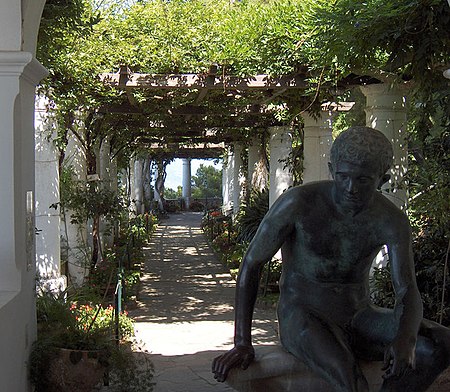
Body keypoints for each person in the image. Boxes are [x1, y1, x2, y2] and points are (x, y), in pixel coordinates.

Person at [212, 126, 450, 392]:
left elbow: (406, 290)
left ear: (382, 179)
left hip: (359, 316)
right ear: (331, 169)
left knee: (441, 345)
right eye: (343, 176)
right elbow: (251, 264)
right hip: (302, 315)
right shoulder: (299, 203)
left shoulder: (390, 220)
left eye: (363, 180)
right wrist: (242, 341)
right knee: (350, 379)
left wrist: (405, 339)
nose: (350, 188)